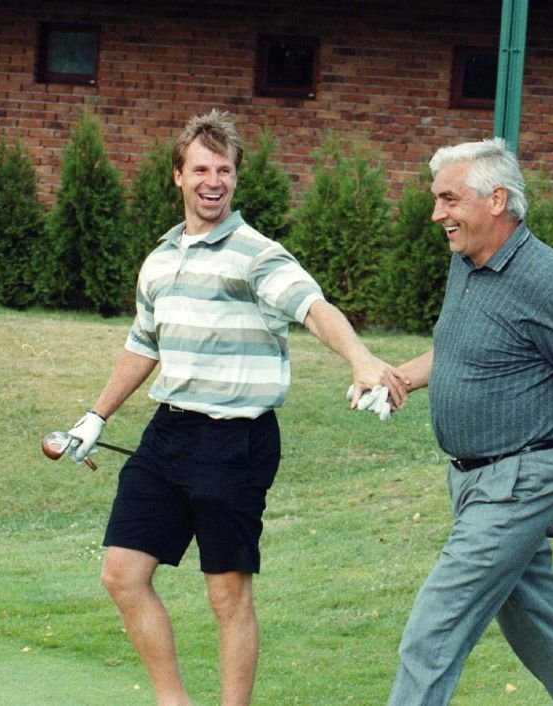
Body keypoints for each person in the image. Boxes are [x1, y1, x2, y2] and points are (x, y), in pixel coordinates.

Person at [61, 109, 402, 706]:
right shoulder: (161, 260)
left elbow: (311, 306)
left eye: (224, 169)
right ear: (178, 175)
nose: (212, 180)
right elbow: (144, 346)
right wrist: (96, 416)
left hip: (236, 441)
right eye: (200, 168)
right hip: (167, 434)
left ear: (236, 177)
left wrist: (360, 358)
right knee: (122, 574)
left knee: (227, 593)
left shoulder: (257, 254)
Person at [383, 138, 553, 705]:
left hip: (519, 482)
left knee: (432, 633)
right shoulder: (468, 263)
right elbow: (467, 351)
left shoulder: (548, 280)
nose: (437, 214)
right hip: (474, 481)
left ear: (496, 199)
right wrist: (401, 375)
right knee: (539, 630)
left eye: (449, 200)